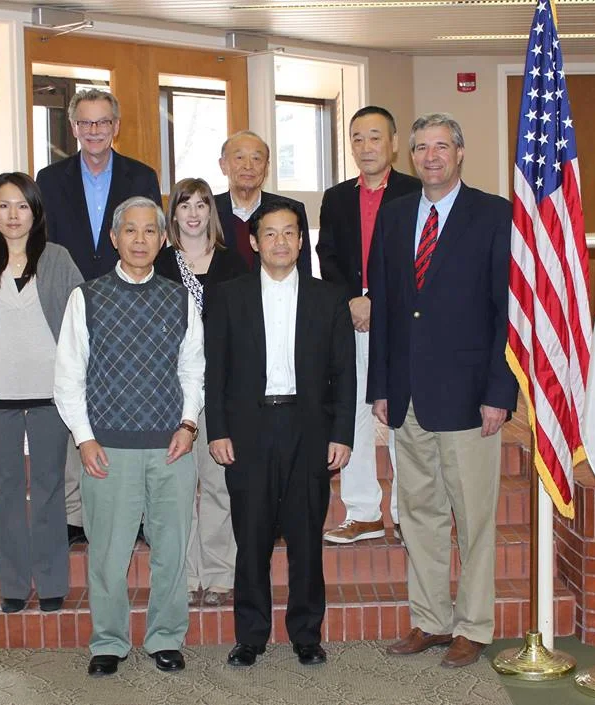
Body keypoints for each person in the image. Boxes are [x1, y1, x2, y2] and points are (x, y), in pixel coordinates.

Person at [367, 113, 518, 668]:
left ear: (459, 153)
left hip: (470, 397)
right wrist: (381, 385)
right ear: (412, 158)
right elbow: (384, 305)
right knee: (421, 513)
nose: (431, 157)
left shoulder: (494, 215)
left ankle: (473, 626)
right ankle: (430, 620)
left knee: (474, 519)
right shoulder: (397, 214)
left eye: (441, 147)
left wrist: (500, 391)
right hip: (406, 396)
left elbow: (508, 312)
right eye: (422, 148)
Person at [53, 197, 204, 677]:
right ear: (115, 238)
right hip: (107, 449)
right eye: (130, 231)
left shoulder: (180, 297)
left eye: (149, 232)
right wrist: (84, 438)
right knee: (107, 553)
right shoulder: (87, 297)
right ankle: (109, 641)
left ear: (163, 240)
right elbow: (68, 377)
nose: (140, 240)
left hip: (171, 447)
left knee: (171, 551)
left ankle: (165, 637)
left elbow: (192, 368)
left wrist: (188, 424)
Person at [205, 201, 356, 668]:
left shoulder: (328, 297)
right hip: (248, 430)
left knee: (307, 537)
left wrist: (342, 433)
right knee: (250, 539)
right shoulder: (229, 296)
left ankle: (306, 634)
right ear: (253, 242)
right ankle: (250, 635)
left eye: (289, 233)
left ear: (300, 240)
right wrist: (218, 430)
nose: (280, 242)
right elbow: (217, 370)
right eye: (269, 234)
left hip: (308, 430)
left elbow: (344, 373)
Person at [0, 172, 83, 615]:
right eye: (4, 205)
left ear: (35, 212)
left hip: (50, 395)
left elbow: (82, 322)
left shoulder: (58, 259)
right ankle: (12, 583)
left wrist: (75, 383)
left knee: (47, 488)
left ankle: (50, 582)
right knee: (7, 488)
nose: (13, 214)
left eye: (21, 205)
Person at [36, 88, 163, 548]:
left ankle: (140, 514)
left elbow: (149, 238)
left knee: (130, 401)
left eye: (103, 122)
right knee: (72, 398)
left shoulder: (141, 175)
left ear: (116, 127)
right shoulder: (48, 180)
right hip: (69, 303)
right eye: (85, 123)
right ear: (73, 128)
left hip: (128, 303)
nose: (94, 131)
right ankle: (75, 516)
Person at [316, 106, 421, 545]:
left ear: (393, 143)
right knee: (353, 412)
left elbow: (420, 259)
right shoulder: (336, 197)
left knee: (399, 414)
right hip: (351, 322)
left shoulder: (416, 191)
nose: (366, 146)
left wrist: (378, 300)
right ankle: (363, 513)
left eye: (375, 137)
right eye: (357, 138)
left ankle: (407, 514)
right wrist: (353, 302)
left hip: (399, 323)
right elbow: (328, 256)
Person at [153, 177, 247, 608]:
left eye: (201, 205)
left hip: (222, 390)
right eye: (184, 205)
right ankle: (186, 575)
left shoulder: (235, 265)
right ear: (172, 214)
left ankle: (220, 574)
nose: (193, 213)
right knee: (177, 487)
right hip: (172, 392)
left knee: (218, 485)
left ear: (213, 212)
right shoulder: (158, 264)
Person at [214, 131, 312, 275]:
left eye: (256, 158)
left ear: (266, 167)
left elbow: (303, 270)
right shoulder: (208, 210)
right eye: (239, 157)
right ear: (223, 165)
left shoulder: (290, 211)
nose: (248, 166)